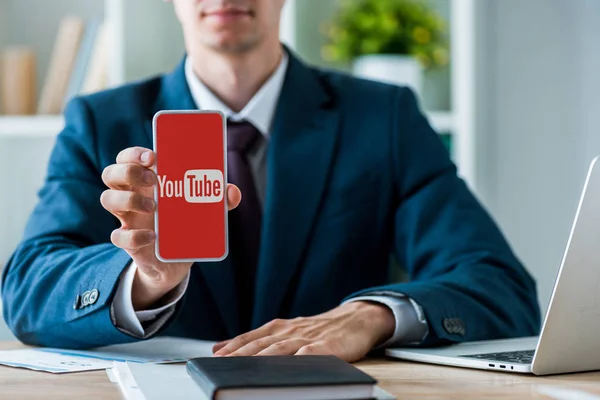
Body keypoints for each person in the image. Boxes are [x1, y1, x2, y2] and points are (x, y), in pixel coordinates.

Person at [1, 0, 540, 362]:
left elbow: (502, 287)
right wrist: (143, 280)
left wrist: (374, 314)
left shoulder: (383, 117)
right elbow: (26, 291)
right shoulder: (101, 120)